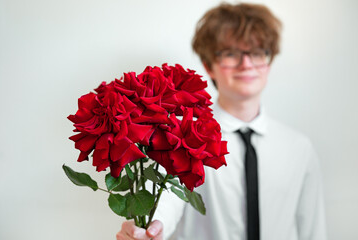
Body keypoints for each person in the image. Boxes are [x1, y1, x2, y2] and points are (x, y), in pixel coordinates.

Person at [116, 3, 326, 240]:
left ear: (269, 61)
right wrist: (152, 230)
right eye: (231, 53)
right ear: (209, 66)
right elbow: (166, 203)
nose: (246, 64)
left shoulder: (299, 148)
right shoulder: (179, 137)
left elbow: (313, 229)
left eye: (257, 52)